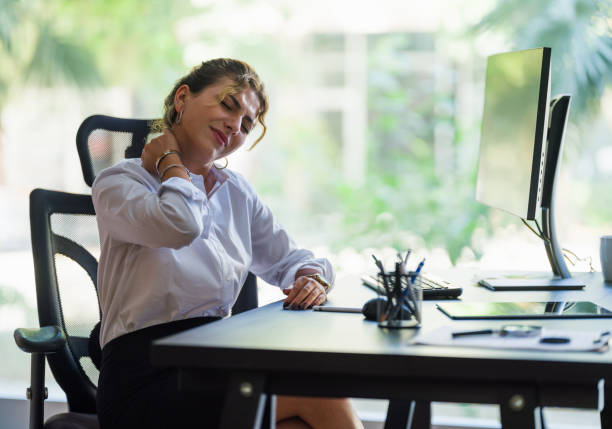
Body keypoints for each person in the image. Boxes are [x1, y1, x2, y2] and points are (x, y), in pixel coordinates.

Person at [92, 58, 363, 429]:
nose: (236, 126)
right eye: (228, 105)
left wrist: (312, 278)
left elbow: (292, 259)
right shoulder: (119, 183)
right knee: (319, 392)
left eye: (247, 125)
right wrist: (170, 160)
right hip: (146, 382)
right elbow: (180, 225)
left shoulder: (236, 193)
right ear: (183, 98)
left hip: (215, 367)